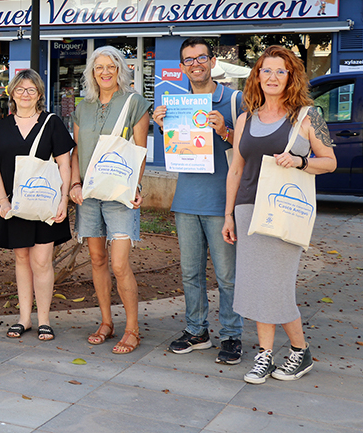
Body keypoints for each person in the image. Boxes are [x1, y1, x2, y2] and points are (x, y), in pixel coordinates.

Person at [223, 45, 335, 384]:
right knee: (256, 284)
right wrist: (228, 215)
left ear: (290, 77)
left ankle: (300, 351)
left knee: (277, 285)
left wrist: (300, 161)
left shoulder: (308, 116)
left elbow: (330, 162)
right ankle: (265, 355)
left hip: (284, 211)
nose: (272, 77)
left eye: (280, 71)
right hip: (247, 209)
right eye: (266, 70)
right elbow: (236, 169)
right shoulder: (245, 119)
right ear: (257, 76)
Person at [152, 38, 244, 364]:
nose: (195, 64)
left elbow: (249, 148)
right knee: (190, 274)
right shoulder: (177, 104)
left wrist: (226, 132)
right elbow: (177, 151)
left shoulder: (234, 100)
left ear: (212, 61)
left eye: (201, 57)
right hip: (186, 200)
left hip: (222, 203)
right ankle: (197, 330)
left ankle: (232, 335)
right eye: (189, 60)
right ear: (181, 67)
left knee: (227, 276)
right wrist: (163, 126)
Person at [69, 46, 150, 354]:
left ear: (120, 70)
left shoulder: (134, 103)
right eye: (99, 67)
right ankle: (106, 322)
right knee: (97, 260)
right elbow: (77, 150)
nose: (105, 72)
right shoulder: (83, 107)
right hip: (89, 194)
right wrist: (74, 183)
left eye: (111, 66)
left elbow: (140, 150)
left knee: (119, 263)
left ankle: (132, 329)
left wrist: (136, 186)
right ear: (92, 72)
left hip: (119, 193)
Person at [0, 69, 73, 342]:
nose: (25, 94)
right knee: (22, 259)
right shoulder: (2, 127)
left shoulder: (52, 123)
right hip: (14, 206)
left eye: (31, 89)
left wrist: (64, 198)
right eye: (20, 89)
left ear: (39, 95)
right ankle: (24, 318)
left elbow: (65, 163)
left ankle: (44, 320)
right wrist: (2, 201)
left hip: (45, 203)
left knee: (42, 261)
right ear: (12, 93)